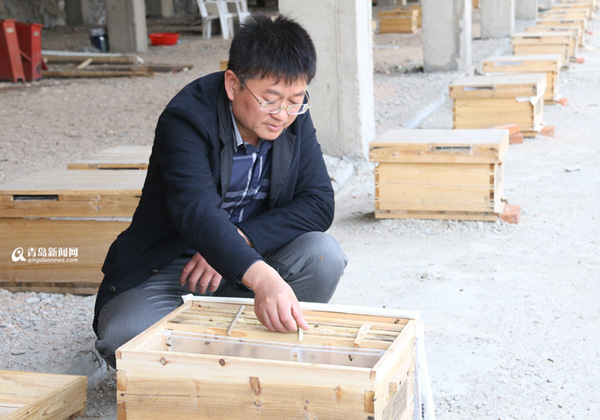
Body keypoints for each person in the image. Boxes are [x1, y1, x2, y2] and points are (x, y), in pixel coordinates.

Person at [93, 13, 347, 368]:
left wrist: (242, 242)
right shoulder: (186, 118)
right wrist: (264, 279)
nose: (282, 114)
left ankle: (255, 352)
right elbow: (196, 212)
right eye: (270, 99)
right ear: (232, 84)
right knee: (127, 338)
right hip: (170, 267)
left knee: (323, 255)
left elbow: (319, 203)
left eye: (295, 99)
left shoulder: (292, 116)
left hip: (244, 259)